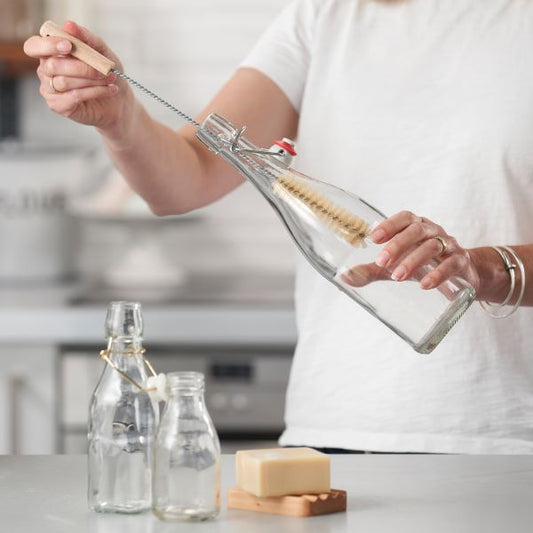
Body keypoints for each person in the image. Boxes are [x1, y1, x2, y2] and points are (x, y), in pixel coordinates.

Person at [24, 0, 533, 454]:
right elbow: (187, 177)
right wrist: (119, 118)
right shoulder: (321, 17)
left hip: (508, 441)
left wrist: (489, 269)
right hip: (336, 433)